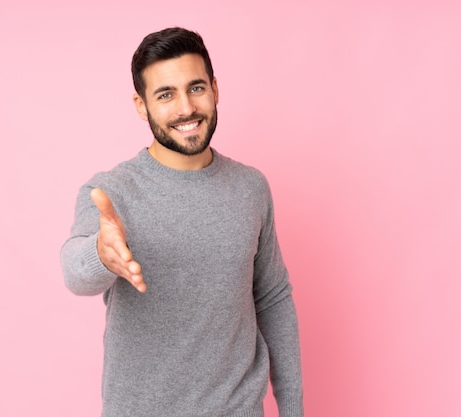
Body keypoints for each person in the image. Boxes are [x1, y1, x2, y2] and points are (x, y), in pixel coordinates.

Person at [60, 27, 303, 417]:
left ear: (215, 89)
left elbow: (272, 298)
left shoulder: (251, 188)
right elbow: (74, 271)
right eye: (165, 94)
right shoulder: (111, 192)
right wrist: (100, 257)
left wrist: (293, 410)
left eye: (195, 88)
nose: (186, 109)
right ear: (141, 106)